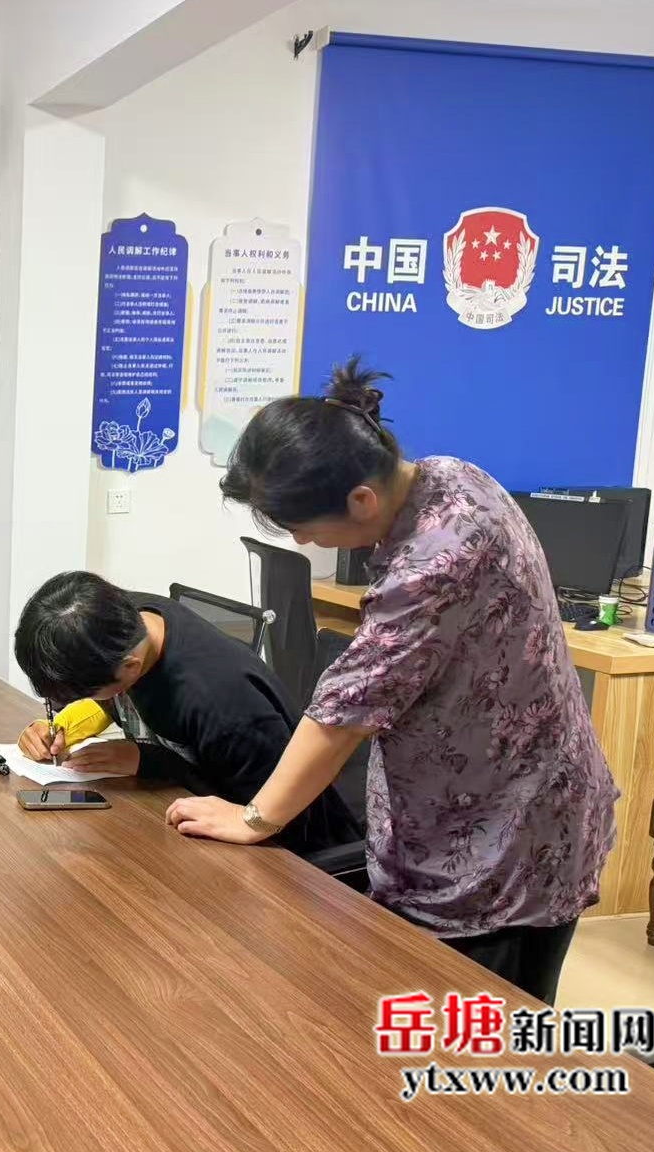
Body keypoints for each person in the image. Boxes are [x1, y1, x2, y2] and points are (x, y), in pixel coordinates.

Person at [165, 358, 617, 1004]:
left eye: (302, 526)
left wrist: (254, 818)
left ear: (360, 500)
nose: (302, 541)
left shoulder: (436, 561)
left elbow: (345, 709)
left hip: (504, 843)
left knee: (474, 1043)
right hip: (488, 805)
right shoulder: (447, 473)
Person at [12, 572, 360, 856]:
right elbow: (109, 697)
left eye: (87, 693)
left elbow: (264, 818)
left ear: (130, 669)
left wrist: (148, 761)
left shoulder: (222, 705)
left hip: (298, 856)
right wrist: (64, 724)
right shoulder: (124, 620)